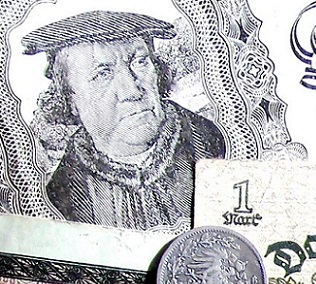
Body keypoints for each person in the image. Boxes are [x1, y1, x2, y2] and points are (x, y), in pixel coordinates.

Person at [21, 10, 225, 229]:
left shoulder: (213, 143)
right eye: (102, 74)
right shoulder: (62, 196)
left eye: (140, 62)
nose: (132, 91)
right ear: (70, 99)